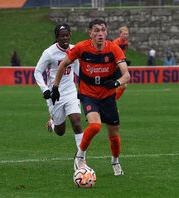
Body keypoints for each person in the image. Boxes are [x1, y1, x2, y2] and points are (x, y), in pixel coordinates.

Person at [52, 19, 130, 176]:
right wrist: (55, 87)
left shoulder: (113, 49)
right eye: (96, 30)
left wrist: (116, 82)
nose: (100, 33)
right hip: (88, 94)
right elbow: (63, 65)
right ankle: (80, 155)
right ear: (90, 34)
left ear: (106, 32)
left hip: (107, 97)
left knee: (114, 135)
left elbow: (126, 75)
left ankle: (115, 161)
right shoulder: (82, 47)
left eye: (103, 30)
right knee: (95, 126)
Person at [34, 24, 84, 169]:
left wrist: (87, 83)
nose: (65, 38)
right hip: (54, 95)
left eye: (67, 35)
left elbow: (77, 70)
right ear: (56, 37)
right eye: (62, 35)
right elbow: (37, 71)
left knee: (76, 122)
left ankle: (81, 159)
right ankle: (53, 123)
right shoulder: (49, 53)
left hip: (70, 92)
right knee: (61, 132)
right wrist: (45, 90)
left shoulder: (74, 50)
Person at [113, 26, 130, 100]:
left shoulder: (126, 43)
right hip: (114, 67)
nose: (125, 36)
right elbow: (113, 55)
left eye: (127, 34)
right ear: (120, 34)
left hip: (119, 66)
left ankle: (114, 100)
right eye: (124, 34)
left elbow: (121, 54)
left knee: (124, 86)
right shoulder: (115, 43)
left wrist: (124, 60)